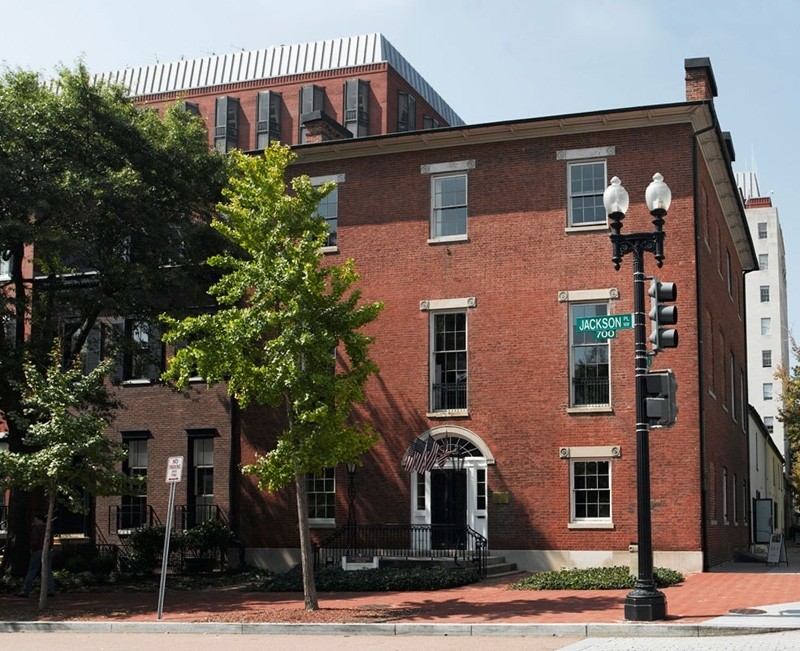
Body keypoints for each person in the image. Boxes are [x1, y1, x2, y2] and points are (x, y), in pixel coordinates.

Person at [17, 516, 55, 597]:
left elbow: (34, 541)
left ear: (40, 520)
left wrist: (32, 547)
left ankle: (25, 590)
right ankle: (50, 590)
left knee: (32, 571)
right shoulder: (48, 529)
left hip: (38, 550)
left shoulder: (36, 529)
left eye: (35, 520)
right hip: (48, 550)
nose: (34, 522)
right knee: (48, 571)